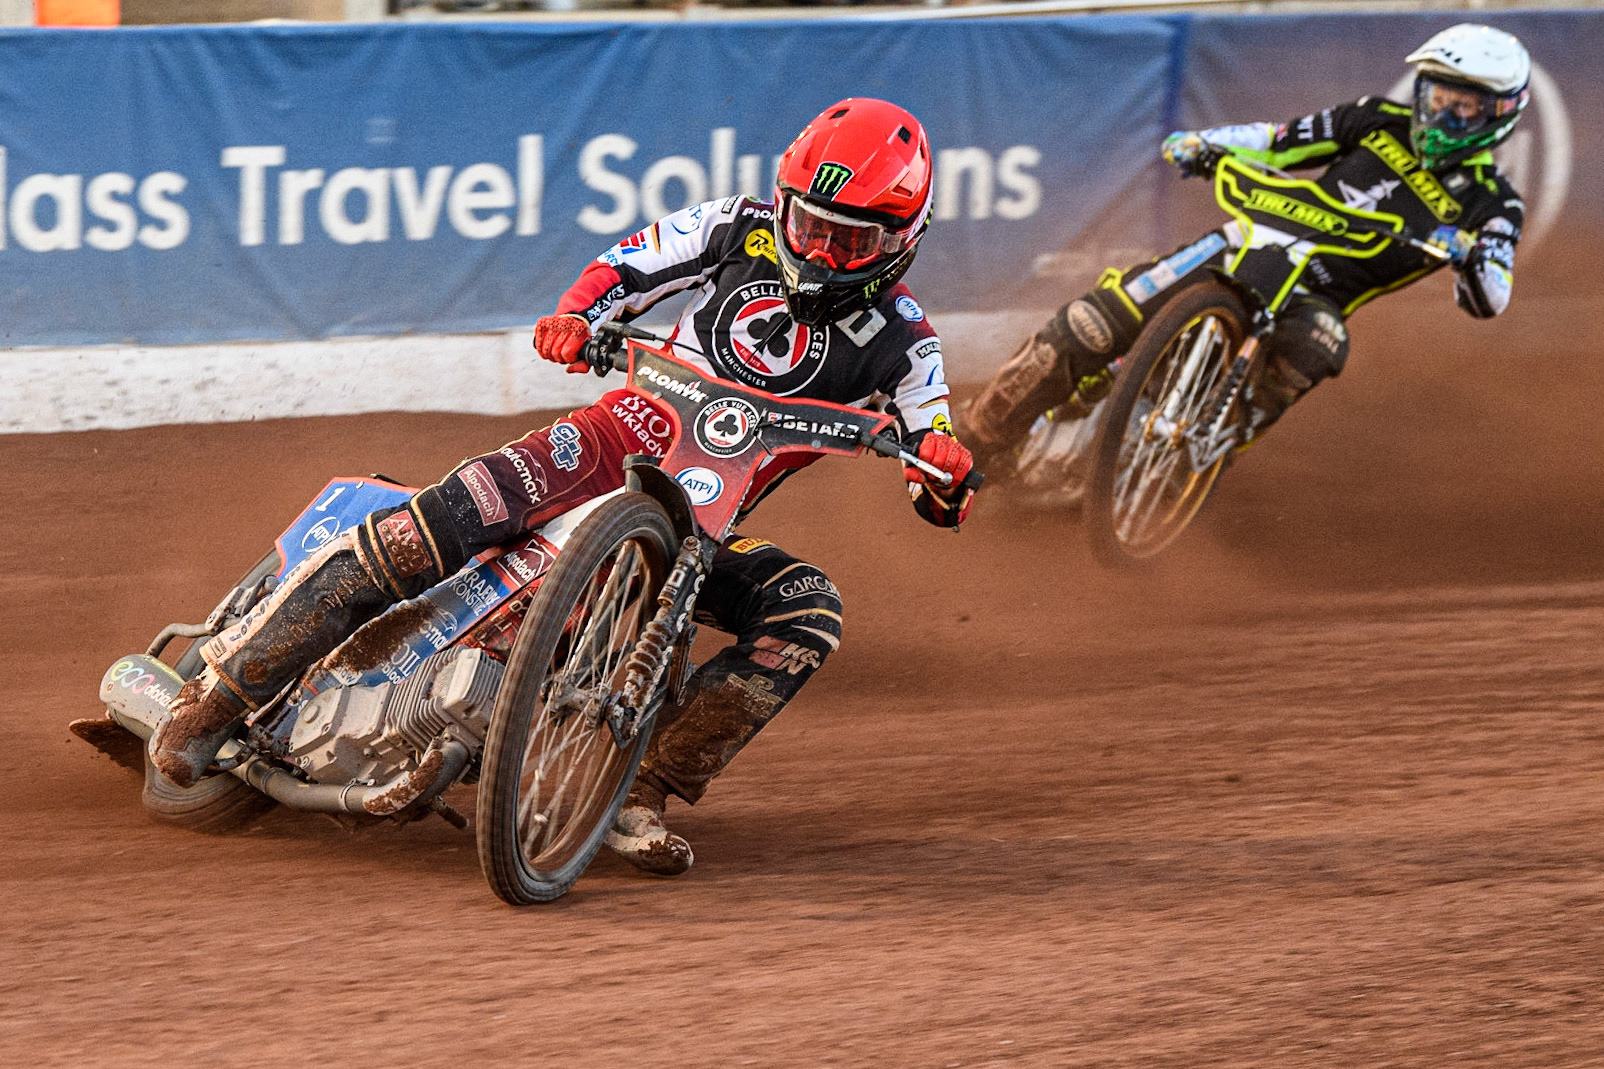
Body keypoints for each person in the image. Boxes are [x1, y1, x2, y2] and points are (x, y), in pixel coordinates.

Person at [149, 98, 976, 877]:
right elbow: (627, 265)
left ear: (904, 239)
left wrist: (942, 471)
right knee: (432, 522)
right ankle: (214, 703)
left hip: (701, 527)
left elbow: (933, 458)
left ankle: (641, 786)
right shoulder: (738, 227)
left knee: (809, 608)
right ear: (781, 201)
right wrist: (577, 315)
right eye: (808, 223)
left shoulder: (907, 344)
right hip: (611, 438)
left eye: (850, 240)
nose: (821, 249)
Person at [961, 23, 1531, 469]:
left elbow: (1493, 296)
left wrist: (1472, 258)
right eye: (1437, 97)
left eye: (1465, 107)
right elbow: (1277, 141)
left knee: (1321, 345)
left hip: (1318, 295)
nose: (1443, 114)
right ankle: (977, 440)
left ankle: (1200, 454)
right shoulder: (1375, 118)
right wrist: (1206, 144)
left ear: (1499, 115)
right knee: (1090, 322)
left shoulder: (1493, 202)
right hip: (1249, 242)